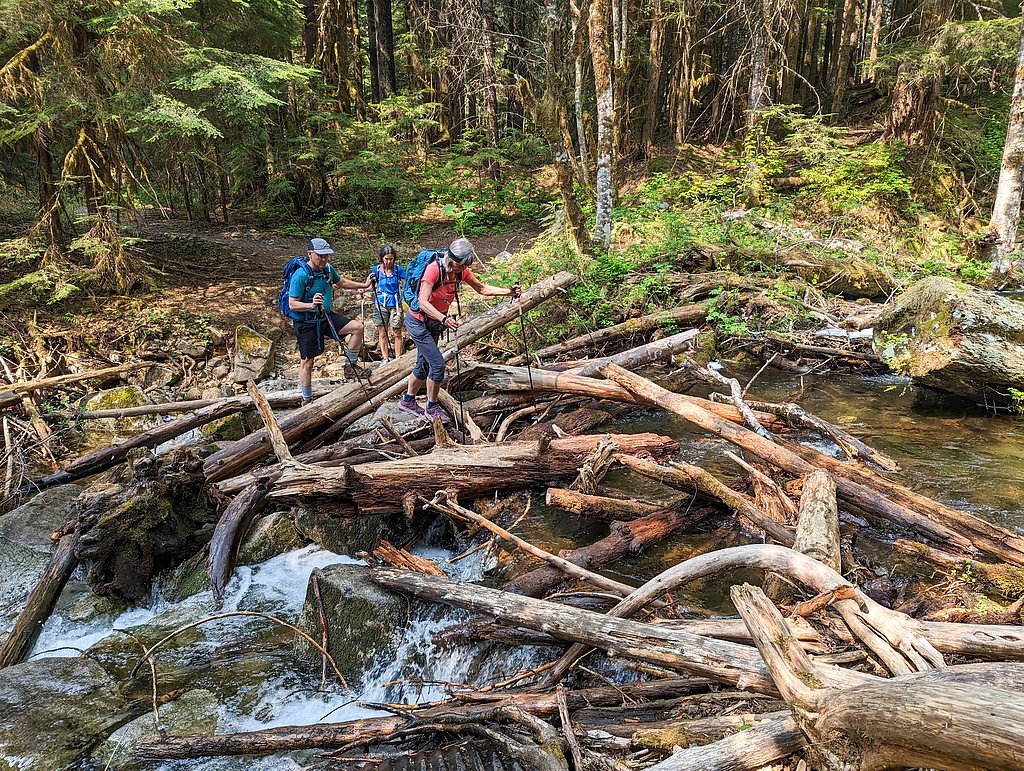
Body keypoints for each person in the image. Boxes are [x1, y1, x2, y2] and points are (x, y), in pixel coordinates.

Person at [398, 237, 520, 422]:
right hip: (418, 322)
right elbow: (423, 301)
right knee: (437, 365)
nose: (462, 270)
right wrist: (444, 318)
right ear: (451, 260)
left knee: (423, 366)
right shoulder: (433, 270)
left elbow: (482, 288)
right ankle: (432, 407)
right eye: (459, 266)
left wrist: (508, 292)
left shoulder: (460, 272)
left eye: (464, 266)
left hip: (434, 323)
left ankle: (407, 401)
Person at [289, 237, 372, 405]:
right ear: (310, 254)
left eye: (326, 256)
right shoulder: (301, 275)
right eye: (320, 256)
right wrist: (311, 305)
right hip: (307, 322)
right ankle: (306, 398)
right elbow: (292, 304)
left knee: (357, 328)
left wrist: (363, 286)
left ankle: (350, 367)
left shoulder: (327, 269)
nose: (324, 259)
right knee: (308, 361)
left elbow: (341, 282)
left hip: (325, 317)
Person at [366, 244, 405, 362]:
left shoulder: (398, 269)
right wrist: (363, 289)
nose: (388, 261)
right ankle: (385, 357)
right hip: (380, 304)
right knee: (382, 332)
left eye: (391, 259)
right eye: (386, 259)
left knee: (397, 331)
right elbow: (369, 285)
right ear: (382, 258)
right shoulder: (377, 270)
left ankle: (398, 357)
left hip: (395, 304)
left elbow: (406, 284)